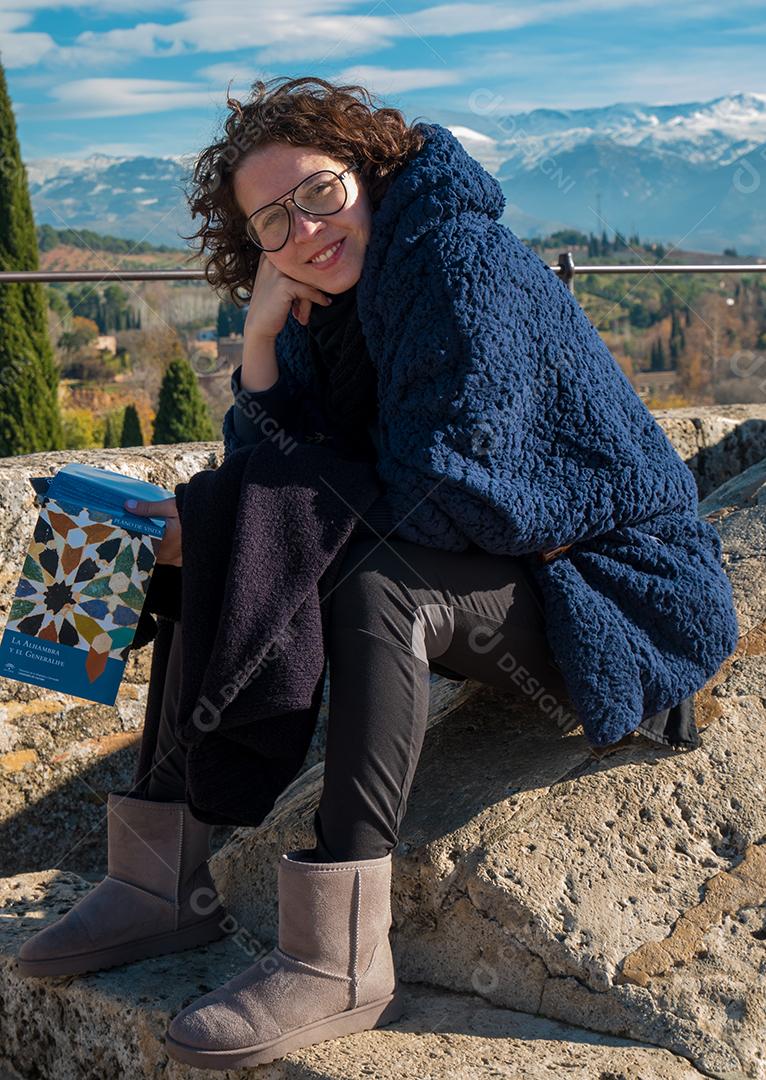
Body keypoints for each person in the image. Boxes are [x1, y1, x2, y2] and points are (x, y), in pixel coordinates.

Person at [17, 75, 737, 1070]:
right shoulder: (327, 301)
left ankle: (340, 954)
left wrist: (230, 523)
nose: (304, 228)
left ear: (370, 169)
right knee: (145, 524)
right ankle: (156, 883)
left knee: (354, 576)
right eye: (271, 221)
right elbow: (276, 461)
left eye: (317, 192)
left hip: (613, 592)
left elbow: (459, 498)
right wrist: (263, 341)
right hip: (497, 564)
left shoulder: (456, 260)